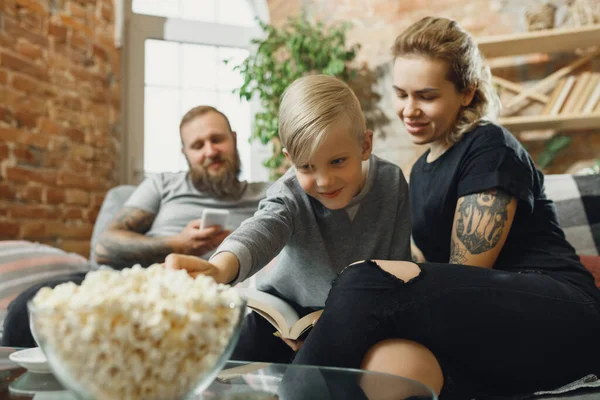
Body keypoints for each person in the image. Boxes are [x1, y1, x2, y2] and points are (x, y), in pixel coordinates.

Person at [292, 17, 600, 399]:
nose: (409, 109)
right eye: (401, 94)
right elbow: (429, 281)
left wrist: (356, 303)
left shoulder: (490, 146)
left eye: (426, 95)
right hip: (489, 331)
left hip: (561, 315)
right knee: (392, 363)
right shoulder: (420, 171)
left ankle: (284, 395)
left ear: (467, 93)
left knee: (362, 282)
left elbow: (458, 279)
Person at [167, 75, 412, 363]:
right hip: (278, 317)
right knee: (232, 373)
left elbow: (399, 268)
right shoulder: (289, 191)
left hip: (355, 313)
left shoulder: (392, 182)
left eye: (337, 161)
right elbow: (261, 229)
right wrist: (219, 270)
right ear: (290, 158)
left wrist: (348, 314)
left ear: (365, 145)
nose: (323, 181)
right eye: (306, 166)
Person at [1, 105, 270, 347]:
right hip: (137, 285)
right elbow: (105, 247)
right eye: (197, 145)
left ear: (234, 139)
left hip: (216, 297)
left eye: (217, 139)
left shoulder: (268, 195)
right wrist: (179, 244)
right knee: (26, 308)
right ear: (185, 154)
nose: (210, 151)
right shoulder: (163, 184)